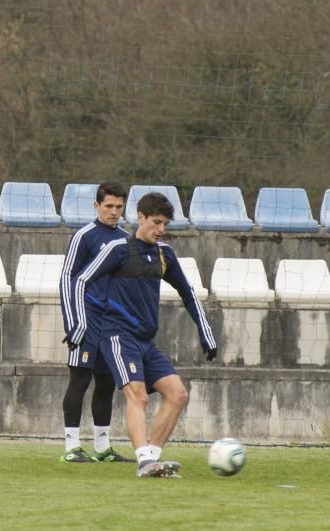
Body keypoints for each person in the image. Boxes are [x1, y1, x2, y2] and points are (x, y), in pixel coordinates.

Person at [68, 192, 217, 477]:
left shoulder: (165, 254)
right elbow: (81, 280)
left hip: (145, 341)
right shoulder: (118, 249)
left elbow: (188, 294)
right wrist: (79, 322)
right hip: (116, 337)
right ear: (141, 217)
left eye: (165, 225)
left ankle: (152, 458)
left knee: (177, 394)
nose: (161, 230)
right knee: (138, 396)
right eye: (157, 222)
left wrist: (205, 331)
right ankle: (144, 461)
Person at [58, 181, 132, 463]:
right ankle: (71, 447)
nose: (114, 212)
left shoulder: (126, 240)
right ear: (97, 206)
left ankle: (102, 448)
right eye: (109, 206)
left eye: (119, 207)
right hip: (86, 320)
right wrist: (73, 321)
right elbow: (67, 278)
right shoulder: (84, 236)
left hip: (112, 325)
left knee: (107, 383)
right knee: (79, 380)